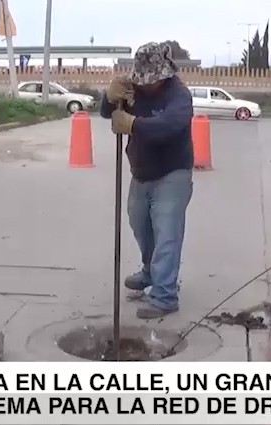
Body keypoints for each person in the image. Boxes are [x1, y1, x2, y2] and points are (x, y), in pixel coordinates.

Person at [99, 42, 194, 319]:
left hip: (172, 172)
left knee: (167, 233)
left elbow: (169, 126)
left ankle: (165, 295)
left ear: (164, 75)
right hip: (140, 171)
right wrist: (109, 96)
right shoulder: (134, 88)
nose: (146, 85)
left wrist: (132, 124)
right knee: (141, 225)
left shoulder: (179, 95)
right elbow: (109, 112)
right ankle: (150, 271)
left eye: (152, 80)